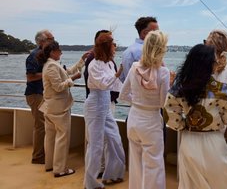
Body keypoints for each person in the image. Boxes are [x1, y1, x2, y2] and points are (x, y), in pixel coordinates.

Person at [163, 44, 227, 189]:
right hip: (215, 141)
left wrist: (184, 125)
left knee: (191, 184)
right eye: (215, 61)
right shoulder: (223, 90)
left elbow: (170, 116)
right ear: (209, 64)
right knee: (221, 183)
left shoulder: (179, 89)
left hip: (189, 140)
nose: (217, 63)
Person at [119, 30, 170, 189]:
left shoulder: (134, 67)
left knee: (135, 163)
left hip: (134, 118)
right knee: (154, 165)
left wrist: (138, 102)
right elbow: (163, 103)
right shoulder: (163, 72)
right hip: (151, 121)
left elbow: (123, 94)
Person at [37, 41, 88, 177]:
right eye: (59, 50)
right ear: (53, 52)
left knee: (51, 136)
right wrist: (74, 79)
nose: (61, 52)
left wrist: (81, 60)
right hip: (59, 108)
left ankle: (50, 164)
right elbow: (59, 86)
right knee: (62, 138)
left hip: (50, 106)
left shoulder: (50, 64)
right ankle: (60, 169)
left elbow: (66, 72)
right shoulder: (51, 66)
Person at [84, 32, 125, 189]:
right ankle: (90, 184)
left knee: (114, 138)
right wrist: (118, 73)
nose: (115, 47)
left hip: (105, 104)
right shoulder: (94, 64)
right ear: (107, 46)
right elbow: (104, 84)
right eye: (113, 44)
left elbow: (116, 85)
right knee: (96, 146)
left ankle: (113, 174)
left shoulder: (108, 63)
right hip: (95, 105)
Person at [24, 29, 54, 164]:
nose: (53, 41)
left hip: (42, 93)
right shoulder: (34, 55)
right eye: (51, 39)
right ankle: (37, 156)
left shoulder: (45, 56)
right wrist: (47, 74)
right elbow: (30, 77)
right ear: (42, 41)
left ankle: (43, 154)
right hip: (35, 94)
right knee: (40, 125)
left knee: (44, 125)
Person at [120, 16, 159, 82]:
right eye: (156, 32)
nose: (159, 35)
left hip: (131, 90)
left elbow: (122, 77)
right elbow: (154, 79)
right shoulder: (146, 52)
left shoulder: (127, 51)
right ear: (144, 33)